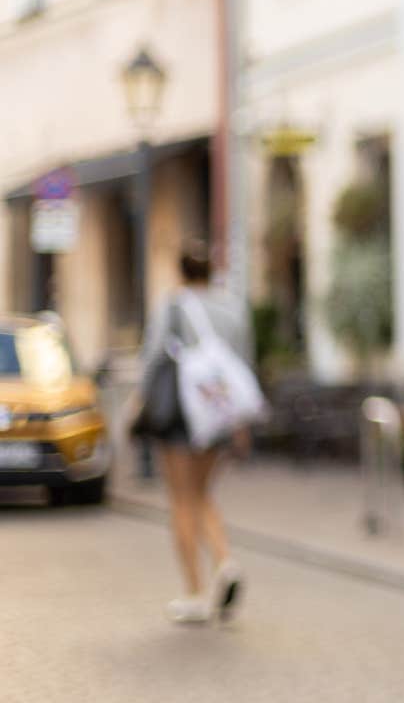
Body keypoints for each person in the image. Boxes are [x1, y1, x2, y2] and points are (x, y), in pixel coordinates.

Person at [139, 238, 253, 625]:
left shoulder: (173, 305)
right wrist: (239, 423)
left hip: (181, 415)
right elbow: (243, 363)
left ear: (182, 270)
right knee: (203, 493)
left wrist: (139, 403)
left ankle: (194, 591)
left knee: (182, 499)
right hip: (218, 412)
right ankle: (225, 561)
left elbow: (153, 356)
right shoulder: (233, 307)